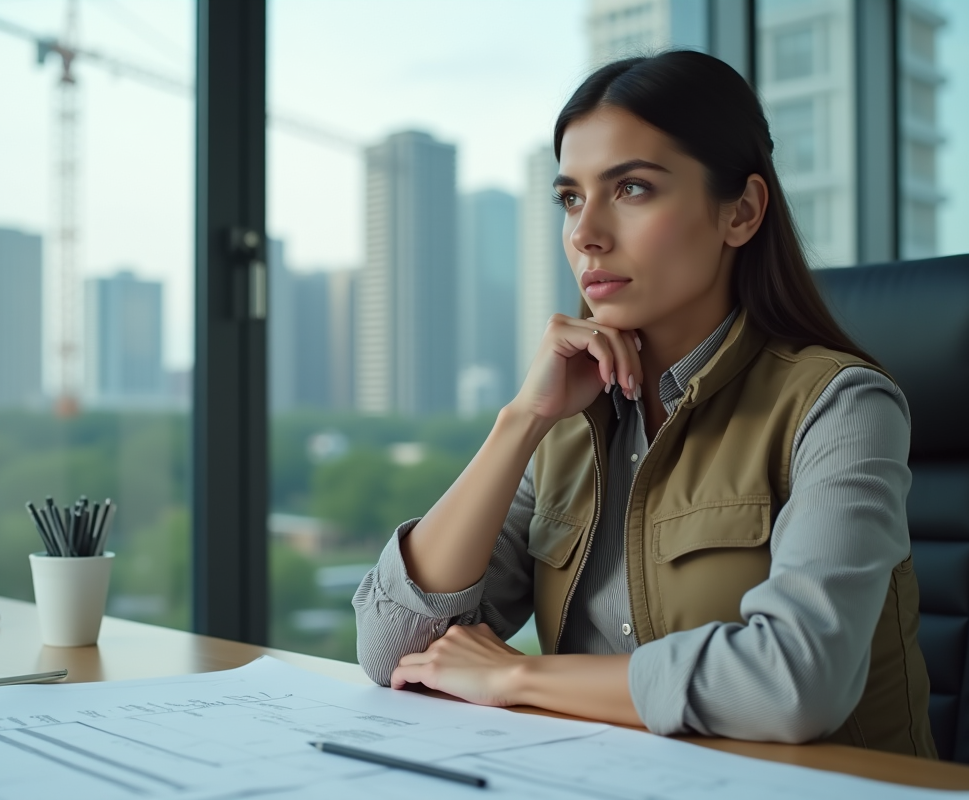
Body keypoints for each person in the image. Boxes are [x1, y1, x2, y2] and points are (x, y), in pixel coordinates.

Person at [352, 50, 936, 756]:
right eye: (571, 198)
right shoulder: (568, 421)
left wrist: (517, 675)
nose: (585, 233)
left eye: (631, 189)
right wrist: (522, 421)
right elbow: (391, 648)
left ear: (741, 212)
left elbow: (795, 683)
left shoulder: (840, 405)